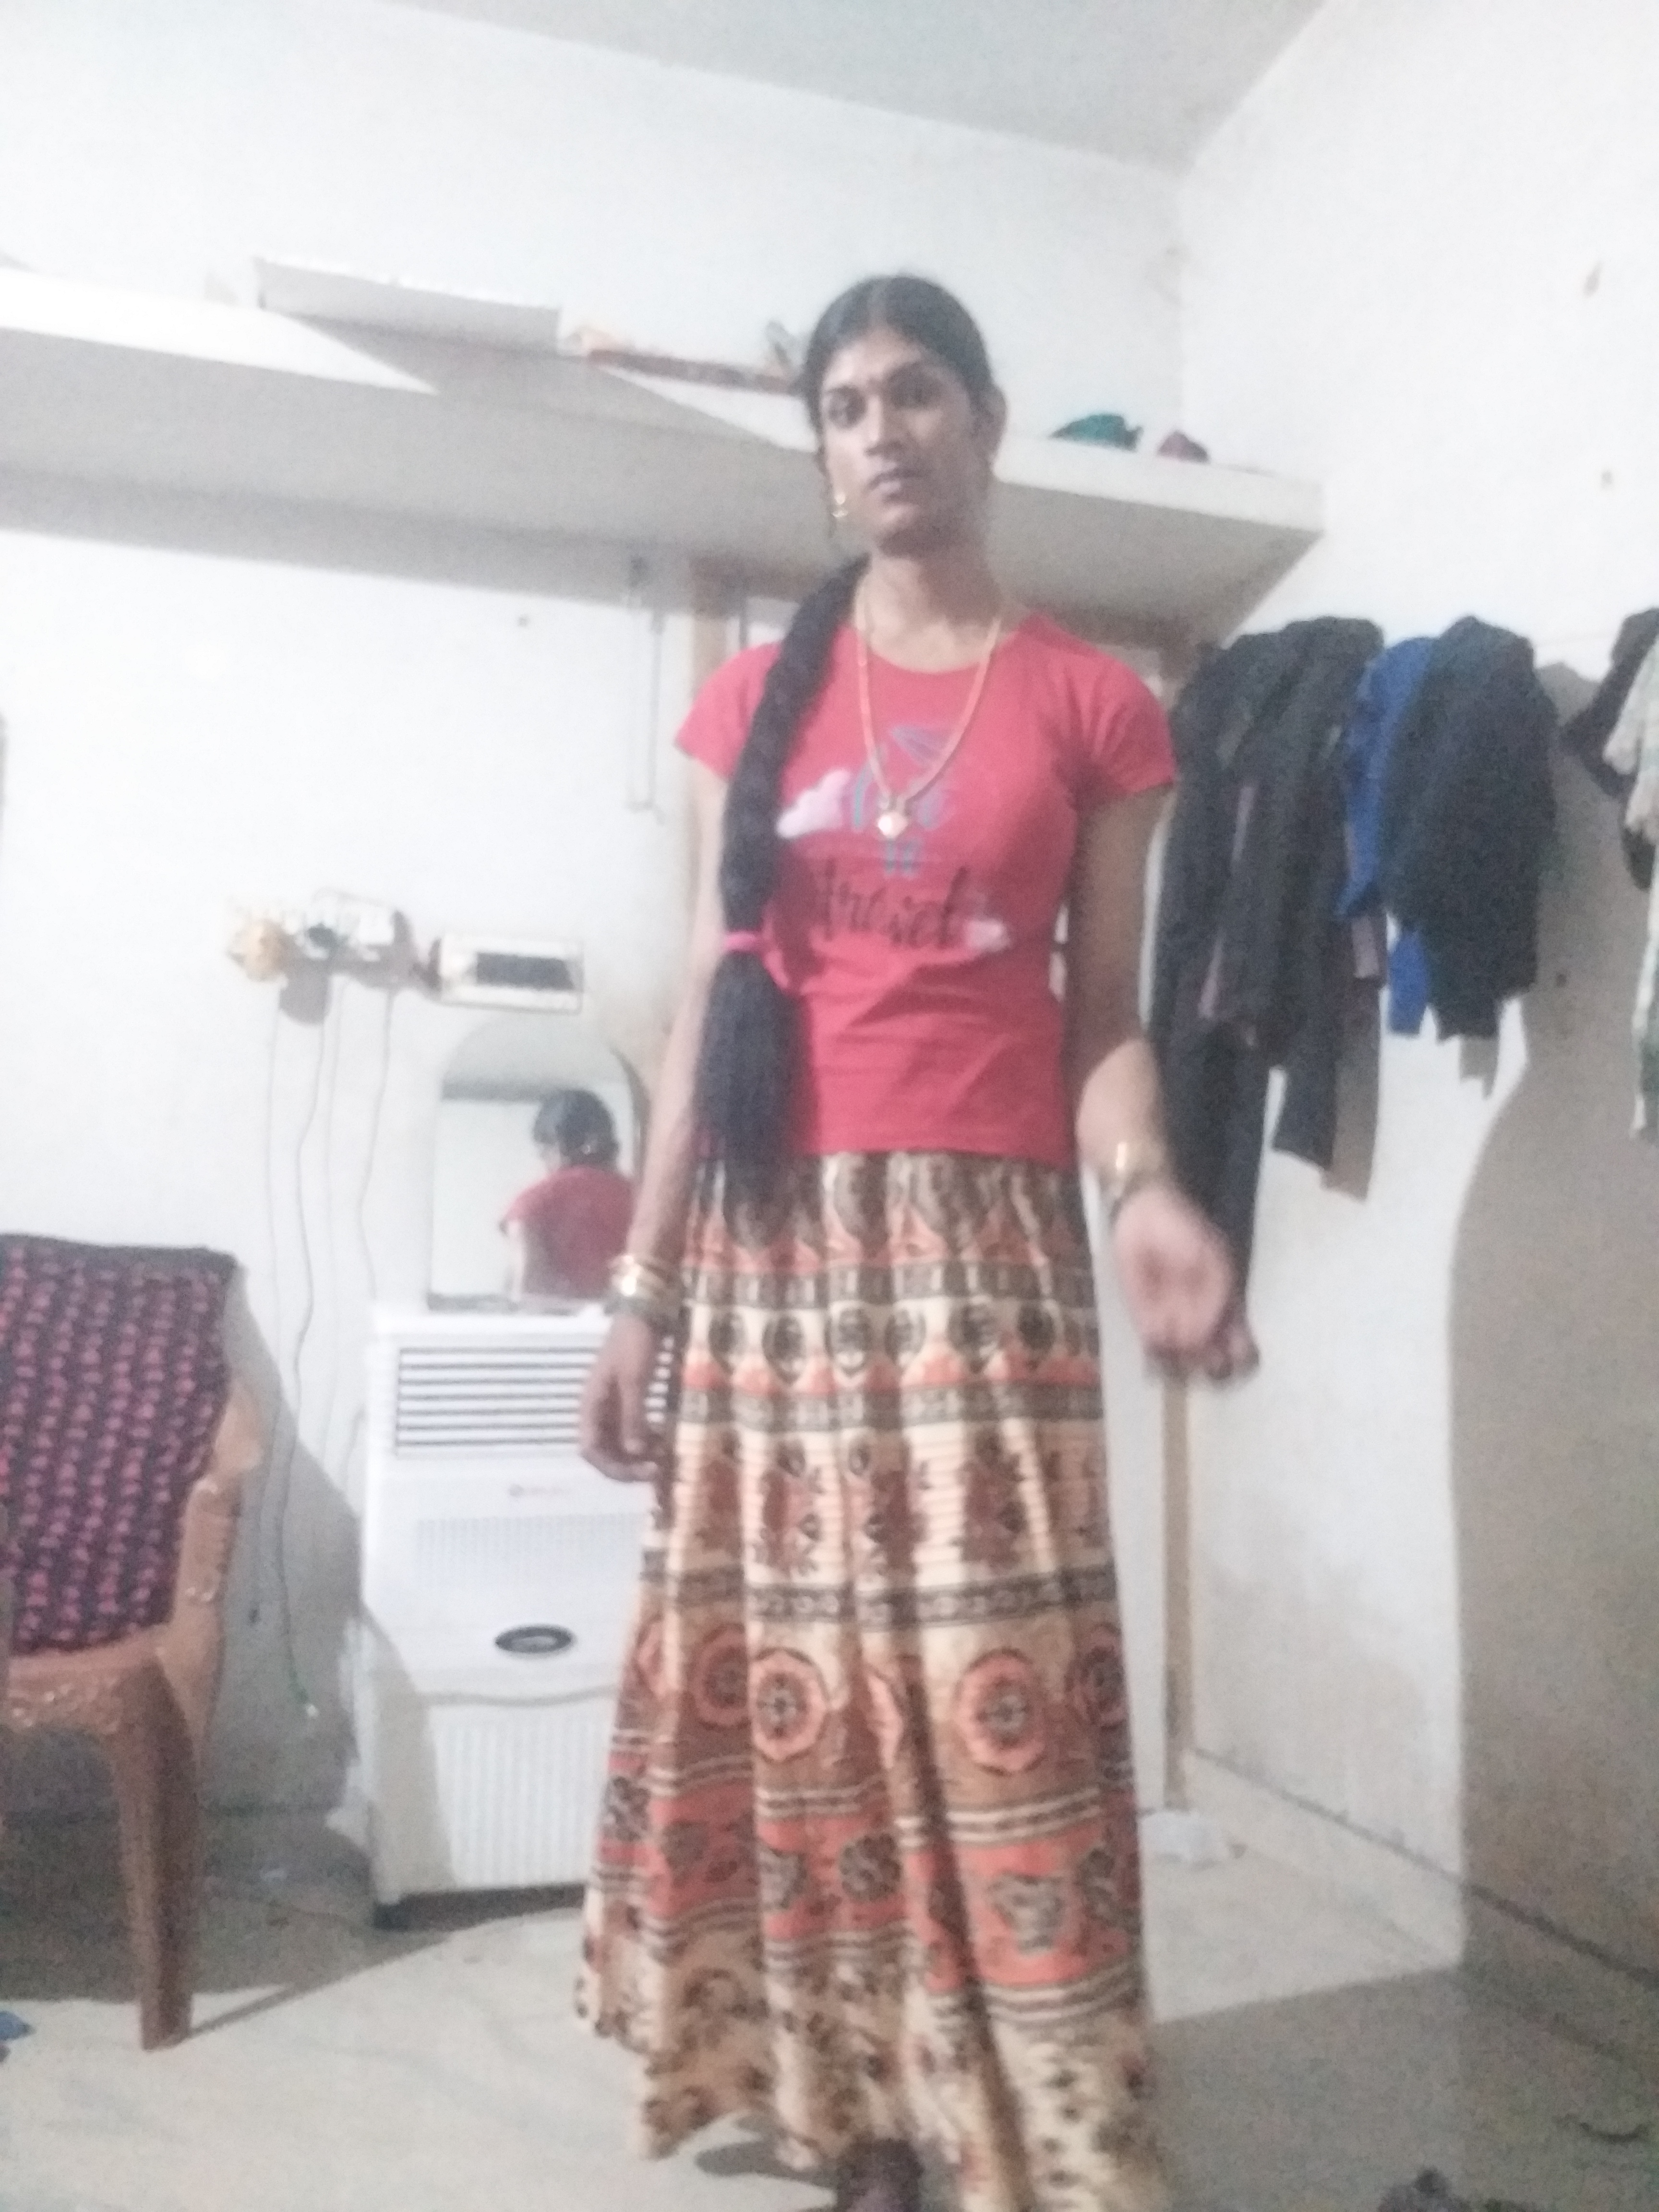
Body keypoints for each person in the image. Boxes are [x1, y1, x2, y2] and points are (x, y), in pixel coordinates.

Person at [577, 274, 1245, 2212]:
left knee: (990, 1690)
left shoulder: (1095, 705)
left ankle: (1031, 2117)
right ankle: (856, 2111)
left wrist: (1147, 1186)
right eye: (847, 404)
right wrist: (643, 1290)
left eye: (918, 391)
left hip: (987, 1253)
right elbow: (703, 1022)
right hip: (773, 1251)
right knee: (802, 1696)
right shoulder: (748, 703)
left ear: (987, 419)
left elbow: (1102, 1018)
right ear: (824, 450)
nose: (883, 428)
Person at [501, 1089, 632, 1301]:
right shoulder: (642, 1201)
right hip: (629, 1319)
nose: (546, 1165)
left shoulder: (533, 1203)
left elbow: (527, 1293)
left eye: (545, 1153)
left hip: (559, 1321)